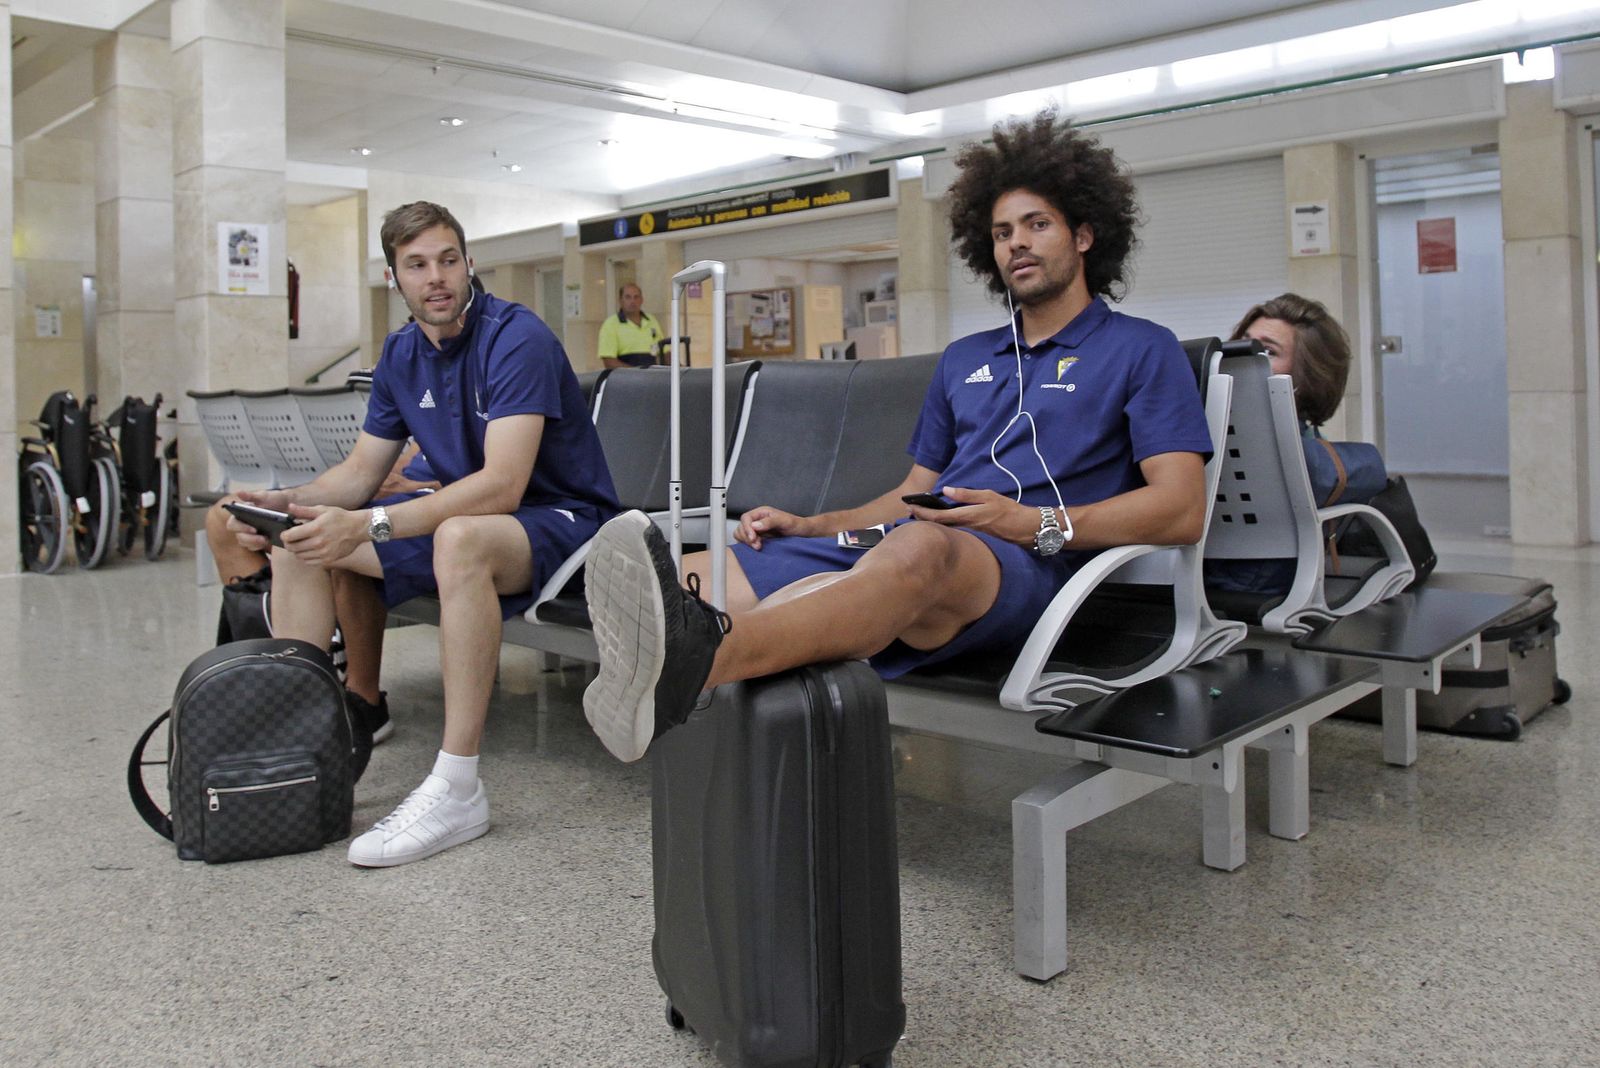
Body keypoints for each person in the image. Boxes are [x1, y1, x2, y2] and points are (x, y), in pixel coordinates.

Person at [578, 110, 1216, 764]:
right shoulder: (965, 357)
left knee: (919, 548)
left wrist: (1034, 523)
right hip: (905, 540)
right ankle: (684, 661)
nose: (1016, 243)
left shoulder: (1142, 350)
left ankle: (698, 666)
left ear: (1084, 236)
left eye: (1037, 224)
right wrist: (818, 524)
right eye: (1001, 232)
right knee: (683, 581)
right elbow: (915, 492)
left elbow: (1181, 507)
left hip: (1024, 565)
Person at [228, 201, 620, 866]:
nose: (435, 277)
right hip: (463, 516)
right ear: (395, 278)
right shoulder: (402, 353)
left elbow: (503, 484)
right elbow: (359, 472)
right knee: (306, 535)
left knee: (459, 537)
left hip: (563, 521)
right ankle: (303, 752)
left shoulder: (515, 337)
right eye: (417, 265)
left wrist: (373, 521)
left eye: (447, 260)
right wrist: (291, 500)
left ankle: (459, 788)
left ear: (468, 264)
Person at [205, 445, 440, 741]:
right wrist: (289, 500)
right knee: (225, 516)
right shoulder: (413, 404)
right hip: (388, 506)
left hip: (431, 513)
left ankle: (361, 699)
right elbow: (379, 464)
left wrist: (419, 487)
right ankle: (276, 668)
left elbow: (498, 481)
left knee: (321, 541)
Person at [1207, 293, 1387, 594]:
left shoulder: (1310, 455)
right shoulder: (1200, 425)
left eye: (1267, 351)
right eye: (1243, 343)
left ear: (1306, 375)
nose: (1240, 360)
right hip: (1218, 579)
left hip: (1242, 580)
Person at [596, 283, 665, 369]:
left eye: (636, 297)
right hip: (626, 379)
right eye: (628, 297)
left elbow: (665, 351)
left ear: (642, 300)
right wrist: (635, 373)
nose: (632, 301)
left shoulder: (652, 321)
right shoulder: (610, 324)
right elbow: (609, 362)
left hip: (652, 376)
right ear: (620, 300)